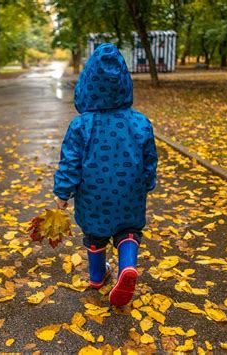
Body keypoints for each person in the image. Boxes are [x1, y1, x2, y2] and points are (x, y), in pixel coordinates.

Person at [53, 43, 158, 307]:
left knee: (95, 234)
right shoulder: (140, 122)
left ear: (86, 85)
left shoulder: (81, 125)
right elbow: (149, 158)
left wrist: (62, 192)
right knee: (129, 231)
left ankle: (97, 276)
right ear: (125, 84)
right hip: (129, 193)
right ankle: (126, 268)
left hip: (93, 196)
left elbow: (71, 161)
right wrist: (148, 182)